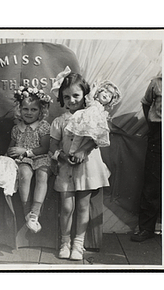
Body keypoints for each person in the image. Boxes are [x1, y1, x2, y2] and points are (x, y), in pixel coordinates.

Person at [49, 68, 110, 260]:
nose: (71, 100)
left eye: (76, 95)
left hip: (86, 166)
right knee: (67, 207)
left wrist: (84, 151)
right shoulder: (60, 121)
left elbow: (97, 137)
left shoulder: (91, 115)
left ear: (84, 94)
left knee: (84, 206)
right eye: (66, 97)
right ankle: (65, 242)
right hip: (67, 167)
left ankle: (78, 244)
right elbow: (53, 146)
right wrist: (62, 157)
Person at [7, 86, 52, 233]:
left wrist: (25, 152)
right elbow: (11, 147)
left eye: (34, 110)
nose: (29, 113)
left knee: (42, 174)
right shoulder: (16, 128)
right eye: (25, 109)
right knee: (24, 174)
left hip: (40, 157)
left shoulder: (43, 126)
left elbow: (45, 148)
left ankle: (35, 212)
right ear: (19, 109)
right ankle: (27, 211)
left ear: (41, 111)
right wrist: (11, 152)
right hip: (24, 160)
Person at [131, 75, 162, 242]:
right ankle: (146, 228)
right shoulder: (157, 81)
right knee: (152, 182)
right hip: (159, 133)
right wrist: (153, 127)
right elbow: (146, 103)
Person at [64, 78, 121, 160]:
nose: (106, 95)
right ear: (99, 92)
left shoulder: (103, 111)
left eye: (109, 96)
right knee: (78, 137)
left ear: (110, 102)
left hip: (93, 127)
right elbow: (90, 97)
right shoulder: (93, 103)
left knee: (88, 140)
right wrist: (95, 88)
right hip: (85, 122)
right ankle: (72, 152)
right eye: (105, 92)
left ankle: (80, 155)